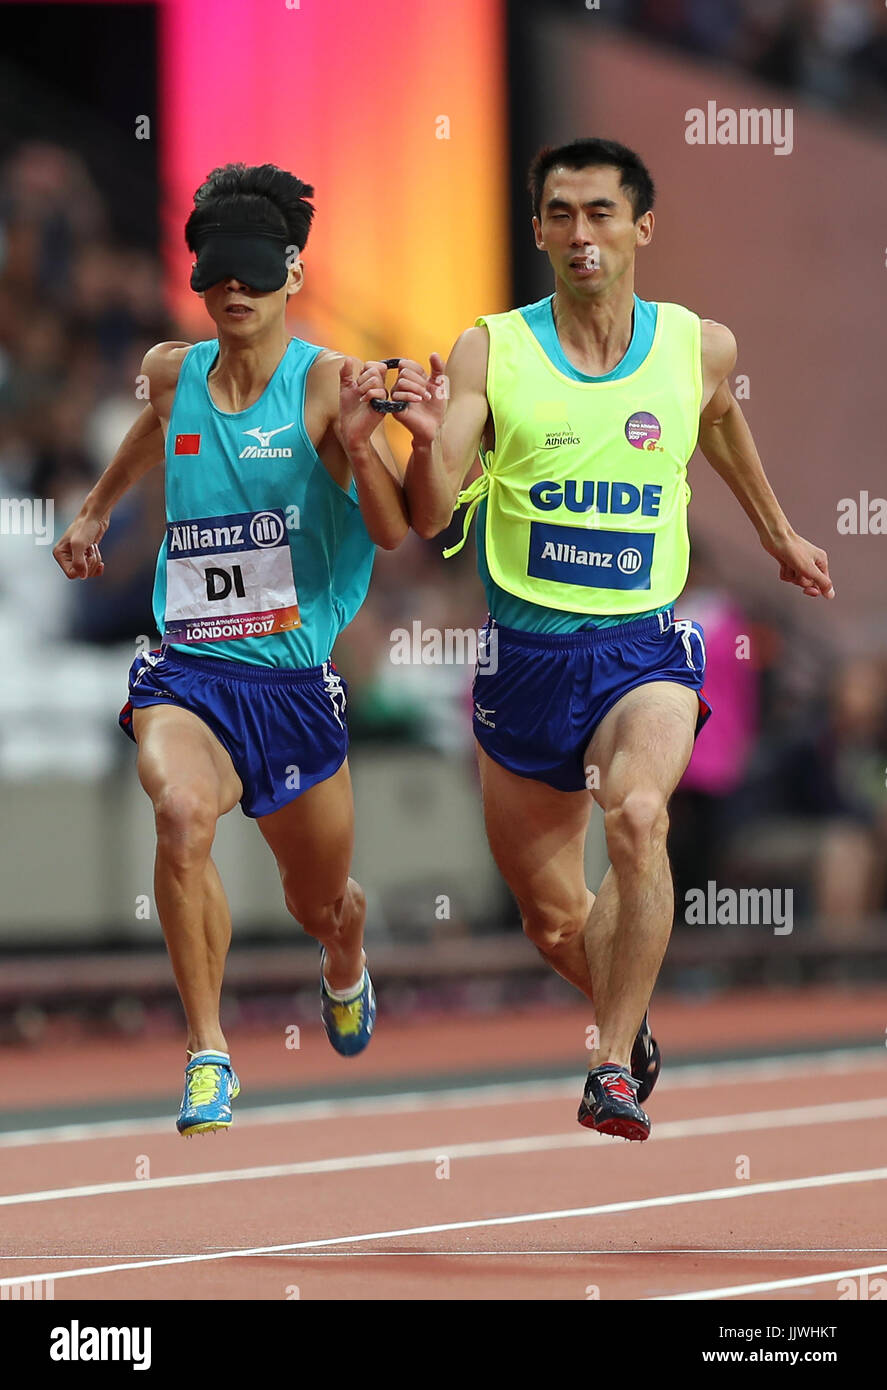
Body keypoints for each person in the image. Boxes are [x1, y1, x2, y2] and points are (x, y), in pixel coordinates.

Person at [384, 137, 834, 1141]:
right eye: (558, 214)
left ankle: (606, 1066)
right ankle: (630, 1024)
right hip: (522, 661)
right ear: (537, 229)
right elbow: (430, 511)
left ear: (640, 226)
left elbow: (717, 418)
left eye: (597, 212)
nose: (578, 234)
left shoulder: (695, 344)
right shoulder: (488, 349)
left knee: (636, 816)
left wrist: (777, 533)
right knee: (553, 919)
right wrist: (423, 441)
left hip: (642, 647)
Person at [53, 163, 408, 1136]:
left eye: (251, 278)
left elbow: (388, 533)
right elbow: (152, 421)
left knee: (319, 899)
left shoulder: (331, 383)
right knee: (178, 814)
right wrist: (95, 507)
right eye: (215, 281)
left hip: (292, 684)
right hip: (190, 671)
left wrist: (367, 440)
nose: (233, 296)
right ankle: (209, 1050)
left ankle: (345, 956)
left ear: (290, 274)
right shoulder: (176, 372)